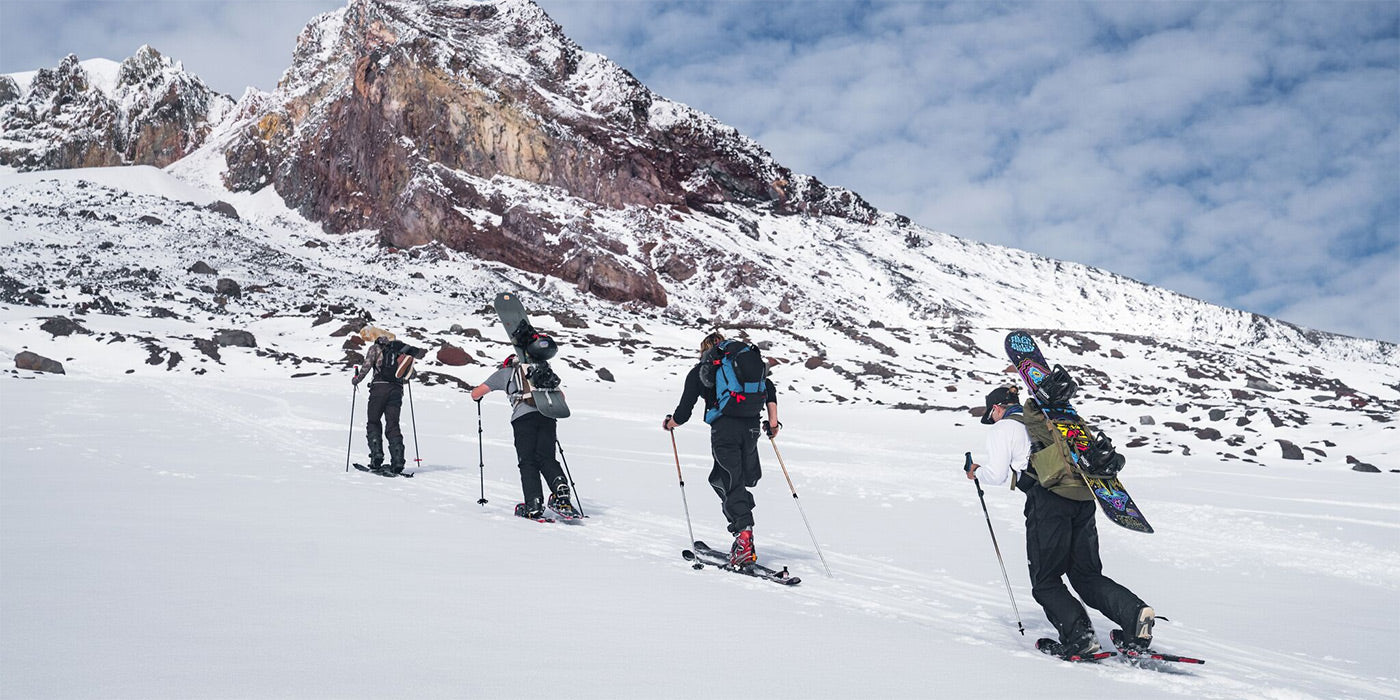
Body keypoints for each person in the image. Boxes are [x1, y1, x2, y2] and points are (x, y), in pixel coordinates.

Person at [967, 385, 1155, 657]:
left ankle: (1079, 637)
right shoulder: (1051, 419)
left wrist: (976, 473)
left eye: (991, 414)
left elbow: (995, 475)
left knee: (1045, 580)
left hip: (1049, 501)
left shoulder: (1002, 428)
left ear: (997, 409)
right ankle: (1136, 617)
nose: (992, 419)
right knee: (1086, 575)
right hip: (1083, 496)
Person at [662, 331, 780, 567]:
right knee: (738, 480)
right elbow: (768, 387)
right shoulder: (743, 362)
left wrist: (670, 423)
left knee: (726, 480)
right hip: (752, 427)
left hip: (724, 429)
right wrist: (774, 423)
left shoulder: (702, 369)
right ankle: (743, 521)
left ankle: (744, 537)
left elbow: (684, 411)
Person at [471, 355, 576, 519]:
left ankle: (533, 504)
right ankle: (561, 491)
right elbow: (560, 397)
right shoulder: (541, 371)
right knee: (547, 458)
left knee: (527, 461)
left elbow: (476, 393)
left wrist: (477, 396)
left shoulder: (506, 372)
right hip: (547, 416)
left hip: (523, 419)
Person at [351, 327, 426, 474]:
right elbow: (410, 374)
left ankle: (376, 456)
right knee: (393, 424)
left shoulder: (375, 349)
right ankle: (398, 461)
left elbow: (366, 367)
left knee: (373, 421)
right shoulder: (399, 353)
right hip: (396, 391)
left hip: (378, 389)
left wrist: (356, 380)